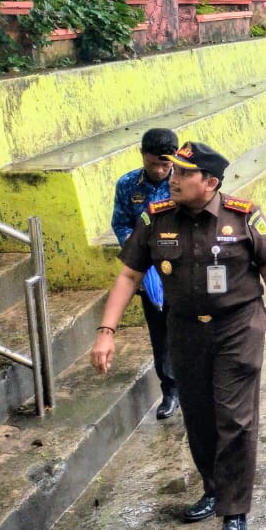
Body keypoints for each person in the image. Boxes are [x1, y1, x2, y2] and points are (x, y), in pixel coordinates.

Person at [91, 142, 266, 530]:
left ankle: (234, 513)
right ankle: (213, 489)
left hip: (237, 328)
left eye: (183, 174)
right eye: (172, 172)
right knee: (200, 417)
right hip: (185, 332)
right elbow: (130, 274)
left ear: (210, 182)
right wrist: (106, 330)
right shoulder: (156, 218)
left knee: (236, 419)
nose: (173, 179)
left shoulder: (244, 216)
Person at [111, 127, 180, 420]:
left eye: (166, 164)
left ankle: (199, 388)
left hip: (183, 267)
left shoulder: (185, 179)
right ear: (143, 156)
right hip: (150, 269)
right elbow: (121, 224)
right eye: (154, 164)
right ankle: (170, 391)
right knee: (160, 333)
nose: (161, 170)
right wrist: (135, 246)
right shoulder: (128, 185)